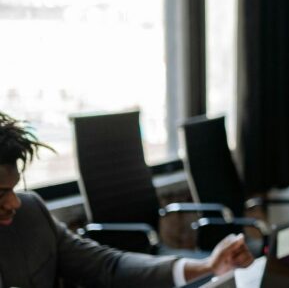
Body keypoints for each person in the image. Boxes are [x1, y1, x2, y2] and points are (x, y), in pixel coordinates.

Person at [0, 111, 254, 287]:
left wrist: (206, 266)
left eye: (14, 189)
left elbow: (109, 267)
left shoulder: (31, 214)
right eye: (1, 193)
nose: (14, 203)